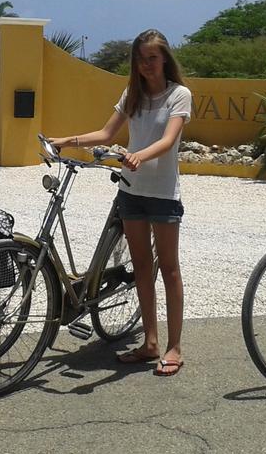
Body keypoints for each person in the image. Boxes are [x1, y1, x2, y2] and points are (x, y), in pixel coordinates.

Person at [50, 29, 192, 376]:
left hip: (162, 194)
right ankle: (150, 343)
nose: (146, 66)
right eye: (141, 59)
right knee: (142, 268)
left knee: (169, 268)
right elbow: (106, 134)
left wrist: (138, 155)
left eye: (153, 58)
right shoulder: (133, 94)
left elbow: (169, 140)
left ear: (165, 59)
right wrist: (66, 140)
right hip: (131, 192)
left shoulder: (179, 94)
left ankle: (174, 347)